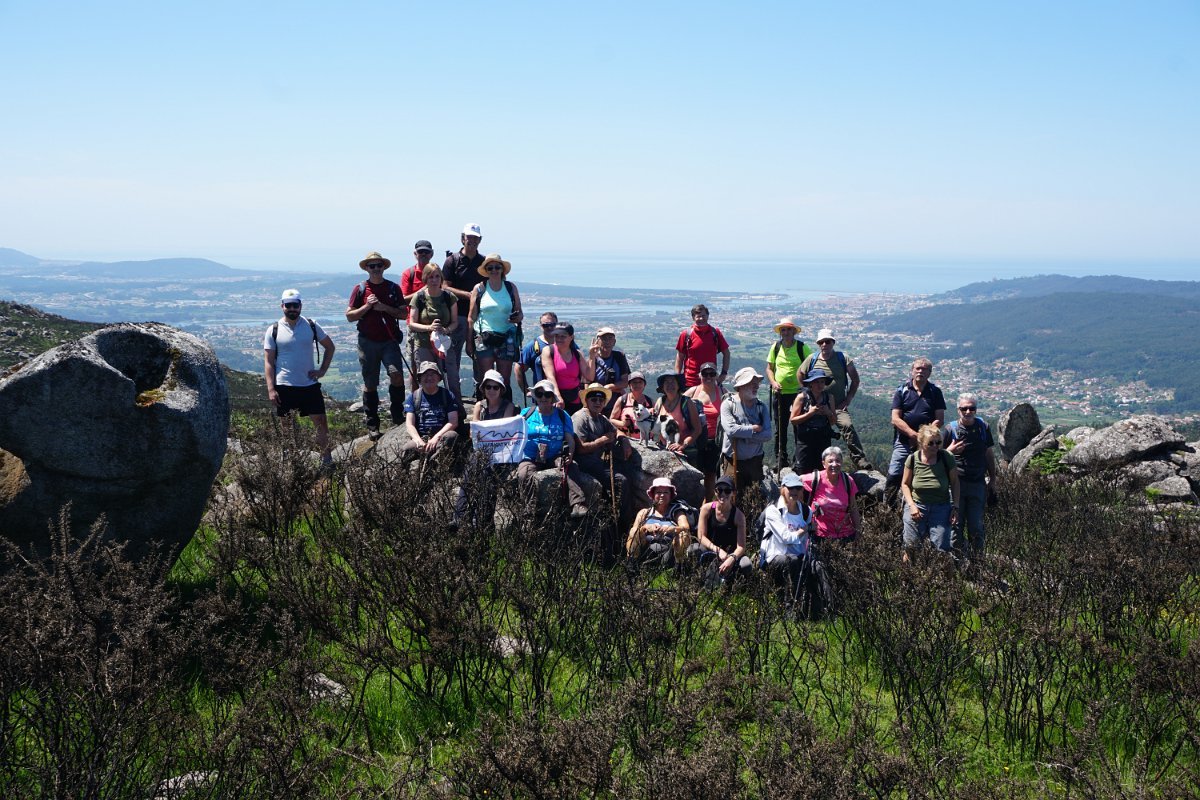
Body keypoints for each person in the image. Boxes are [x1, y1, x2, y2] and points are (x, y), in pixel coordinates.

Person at [264, 289, 335, 465]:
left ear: (300, 306)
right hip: (284, 386)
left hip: (309, 384)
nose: (292, 309)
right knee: (287, 426)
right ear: (282, 306)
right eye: (288, 305)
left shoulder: (311, 325)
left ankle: (327, 461)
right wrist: (271, 389)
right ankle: (291, 462)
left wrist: (322, 371)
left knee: (321, 422)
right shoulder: (273, 330)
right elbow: (269, 362)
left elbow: (330, 347)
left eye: (295, 305)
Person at [345, 251, 406, 439]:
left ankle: (398, 416)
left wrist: (384, 307)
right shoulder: (360, 289)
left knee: (396, 375)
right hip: (367, 342)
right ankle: (373, 425)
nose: (376, 269)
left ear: (383, 267)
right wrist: (367, 306)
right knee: (370, 383)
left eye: (379, 265)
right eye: (372, 266)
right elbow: (350, 316)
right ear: (367, 268)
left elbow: (404, 314)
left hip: (389, 340)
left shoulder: (393, 288)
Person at [797, 329, 870, 471]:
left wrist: (848, 399)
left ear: (833, 342)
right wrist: (807, 392)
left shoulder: (843, 358)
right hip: (817, 405)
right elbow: (800, 374)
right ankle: (801, 460)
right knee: (807, 430)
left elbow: (855, 380)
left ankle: (859, 458)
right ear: (818, 344)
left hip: (838, 405)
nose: (824, 344)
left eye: (828, 341)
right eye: (821, 342)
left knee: (847, 426)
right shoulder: (812, 359)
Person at [517, 379, 589, 519]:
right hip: (530, 456)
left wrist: (570, 454)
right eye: (540, 394)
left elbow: (570, 439)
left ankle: (577, 503)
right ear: (535, 396)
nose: (543, 397)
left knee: (571, 466)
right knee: (524, 473)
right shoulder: (526, 414)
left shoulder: (562, 415)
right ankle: (529, 508)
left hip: (555, 454)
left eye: (547, 394)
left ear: (552, 397)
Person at [572, 383, 639, 531]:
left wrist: (624, 440)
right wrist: (602, 440)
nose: (598, 402)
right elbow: (580, 449)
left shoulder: (600, 418)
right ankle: (624, 525)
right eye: (594, 399)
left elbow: (615, 431)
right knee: (621, 480)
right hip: (584, 464)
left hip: (597, 463)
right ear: (586, 400)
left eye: (601, 400)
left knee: (627, 471)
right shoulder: (580, 418)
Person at [944, 393, 997, 558]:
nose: (968, 412)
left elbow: (988, 452)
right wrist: (950, 451)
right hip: (956, 484)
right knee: (955, 527)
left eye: (971, 408)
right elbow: (938, 456)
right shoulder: (950, 430)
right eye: (964, 408)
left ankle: (977, 564)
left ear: (976, 409)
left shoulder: (983, 427)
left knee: (976, 527)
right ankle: (957, 564)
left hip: (977, 483)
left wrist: (993, 478)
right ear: (958, 410)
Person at [887, 358, 946, 501]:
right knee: (895, 473)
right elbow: (895, 418)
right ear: (912, 371)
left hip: (927, 443)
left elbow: (939, 419)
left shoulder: (935, 392)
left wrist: (925, 436)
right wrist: (913, 435)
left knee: (924, 472)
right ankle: (888, 506)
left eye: (924, 369)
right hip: (904, 441)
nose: (920, 371)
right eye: (917, 368)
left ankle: (920, 502)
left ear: (929, 373)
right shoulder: (902, 390)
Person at [467, 253, 523, 401]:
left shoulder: (510, 288)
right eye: (490, 268)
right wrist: (469, 341)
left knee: (504, 379)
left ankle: (504, 409)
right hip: (484, 337)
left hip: (506, 337)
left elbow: (520, 313)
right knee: (486, 378)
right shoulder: (479, 288)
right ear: (486, 270)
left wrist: (517, 317)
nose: (494, 270)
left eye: (497, 267)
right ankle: (485, 408)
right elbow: (471, 317)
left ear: (502, 269)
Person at [442, 222, 487, 400]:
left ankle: (480, 392)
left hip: (479, 316)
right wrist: (469, 295)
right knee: (453, 356)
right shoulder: (452, 261)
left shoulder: (484, 262)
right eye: (469, 237)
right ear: (463, 238)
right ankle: (454, 394)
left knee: (479, 354)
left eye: (476, 238)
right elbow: (445, 287)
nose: (472, 241)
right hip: (457, 315)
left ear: (480, 240)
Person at [901, 424, 959, 556]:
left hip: (941, 507)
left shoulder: (947, 457)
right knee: (911, 549)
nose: (935, 446)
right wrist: (911, 505)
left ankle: (941, 571)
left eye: (938, 442)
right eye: (931, 443)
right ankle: (908, 570)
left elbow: (955, 483)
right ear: (921, 443)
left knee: (942, 550)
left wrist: (955, 507)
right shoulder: (913, 459)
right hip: (917, 507)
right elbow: (905, 484)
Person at [759, 472, 814, 605]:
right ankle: (789, 606)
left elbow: (809, 538)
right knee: (791, 561)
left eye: (798, 488)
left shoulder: (806, 511)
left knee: (818, 566)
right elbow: (786, 538)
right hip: (775, 557)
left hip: (800, 556)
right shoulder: (773, 511)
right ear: (782, 489)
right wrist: (805, 528)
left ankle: (826, 607)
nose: (794, 491)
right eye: (791, 488)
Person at [765, 317, 811, 470]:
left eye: (789, 329)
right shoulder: (776, 347)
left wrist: (806, 387)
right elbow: (769, 368)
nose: (786, 332)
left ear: (794, 332)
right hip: (780, 393)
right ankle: (781, 459)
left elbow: (811, 366)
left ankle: (799, 459)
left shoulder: (802, 347)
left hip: (798, 394)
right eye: (783, 330)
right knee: (781, 428)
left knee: (799, 426)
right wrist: (773, 382)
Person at [719, 367, 772, 495]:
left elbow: (767, 435)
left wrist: (743, 435)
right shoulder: (728, 404)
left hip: (755, 462)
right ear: (741, 386)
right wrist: (753, 429)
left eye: (756, 383)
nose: (756, 386)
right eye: (751, 383)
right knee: (731, 496)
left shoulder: (761, 407)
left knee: (754, 496)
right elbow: (731, 430)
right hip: (732, 461)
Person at [696, 476, 753, 583]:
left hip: (731, 553)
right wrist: (718, 551)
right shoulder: (706, 509)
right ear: (715, 491)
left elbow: (741, 547)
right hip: (710, 549)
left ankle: (734, 585)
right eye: (719, 490)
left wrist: (731, 558)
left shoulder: (739, 516)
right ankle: (695, 580)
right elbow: (701, 537)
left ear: (733, 493)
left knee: (746, 565)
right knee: (694, 549)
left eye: (727, 491)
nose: (722, 494)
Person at [626, 477, 693, 568]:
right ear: (653, 495)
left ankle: (679, 567)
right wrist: (646, 527)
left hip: (669, 552)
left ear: (670, 495)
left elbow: (686, 527)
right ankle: (631, 565)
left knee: (684, 534)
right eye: (658, 492)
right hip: (646, 549)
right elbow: (634, 531)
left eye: (666, 492)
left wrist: (671, 529)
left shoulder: (677, 512)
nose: (662, 495)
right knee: (634, 531)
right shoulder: (644, 512)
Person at [406, 264, 458, 380]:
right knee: (427, 380)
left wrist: (446, 330)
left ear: (441, 278)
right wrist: (430, 327)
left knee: (452, 379)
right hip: (424, 345)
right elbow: (412, 323)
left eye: (437, 276)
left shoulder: (449, 297)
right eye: (431, 277)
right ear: (425, 279)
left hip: (444, 345)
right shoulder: (419, 297)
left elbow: (455, 322)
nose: (434, 280)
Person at [801, 446, 862, 543]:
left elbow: (853, 508)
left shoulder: (848, 481)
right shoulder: (816, 478)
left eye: (838, 461)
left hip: (845, 536)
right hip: (820, 536)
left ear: (841, 462)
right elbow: (794, 481)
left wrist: (858, 532)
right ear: (823, 464)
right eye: (830, 461)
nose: (834, 464)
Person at [684, 362, 727, 500]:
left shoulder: (723, 392)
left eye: (712, 374)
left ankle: (707, 504)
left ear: (716, 376)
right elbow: (677, 405)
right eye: (705, 374)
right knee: (694, 474)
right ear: (699, 375)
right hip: (695, 441)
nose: (708, 377)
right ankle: (694, 504)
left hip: (715, 442)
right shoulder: (692, 392)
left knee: (710, 476)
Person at [401, 361, 461, 460]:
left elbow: (453, 422)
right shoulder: (414, 397)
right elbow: (409, 424)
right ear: (420, 378)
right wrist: (418, 440)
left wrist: (436, 438)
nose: (429, 377)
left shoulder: (447, 395)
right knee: (407, 449)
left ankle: (435, 463)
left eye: (433, 374)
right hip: (422, 438)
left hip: (441, 437)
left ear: (439, 378)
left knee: (451, 436)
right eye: (425, 374)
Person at [399, 239, 435, 390]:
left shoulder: (435, 273)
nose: (423, 255)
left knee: (436, 365)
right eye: (421, 252)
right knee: (415, 366)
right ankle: (416, 398)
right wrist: (422, 291)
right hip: (414, 326)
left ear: (431, 254)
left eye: (426, 252)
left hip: (434, 326)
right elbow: (403, 299)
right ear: (415, 254)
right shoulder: (409, 274)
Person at [789, 369, 837, 475]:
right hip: (805, 441)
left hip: (823, 439)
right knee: (803, 471)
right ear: (810, 383)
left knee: (822, 470)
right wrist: (810, 413)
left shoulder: (829, 398)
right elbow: (793, 420)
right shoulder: (802, 398)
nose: (820, 385)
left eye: (822, 382)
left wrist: (828, 413)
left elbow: (833, 421)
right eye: (816, 382)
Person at [540, 322, 594, 414]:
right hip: (554, 399)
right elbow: (550, 377)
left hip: (575, 399)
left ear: (571, 337)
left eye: (563, 336)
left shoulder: (577, 354)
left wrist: (592, 356)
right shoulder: (548, 351)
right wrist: (558, 396)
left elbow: (590, 376)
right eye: (556, 336)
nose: (559, 339)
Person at [674, 304, 730, 389]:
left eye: (703, 316)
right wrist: (677, 378)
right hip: (690, 382)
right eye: (698, 316)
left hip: (710, 380)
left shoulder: (715, 333)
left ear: (708, 316)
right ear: (693, 317)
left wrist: (723, 374)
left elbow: (727, 353)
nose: (701, 318)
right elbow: (679, 358)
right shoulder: (686, 334)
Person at [653, 372, 703, 464]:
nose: (670, 385)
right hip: (664, 448)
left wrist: (682, 445)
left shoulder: (687, 403)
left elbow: (697, 429)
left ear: (678, 385)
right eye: (666, 382)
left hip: (686, 450)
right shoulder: (660, 402)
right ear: (662, 386)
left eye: (673, 381)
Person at [516, 311, 558, 401]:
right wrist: (526, 390)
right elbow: (518, 368)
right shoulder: (533, 346)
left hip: (564, 393)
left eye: (552, 324)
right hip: (543, 397)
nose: (549, 327)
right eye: (545, 325)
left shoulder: (564, 343)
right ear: (541, 326)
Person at [589, 326, 630, 415]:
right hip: (596, 406)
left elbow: (625, 382)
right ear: (597, 341)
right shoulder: (593, 358)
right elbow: (587, 381)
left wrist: (609, 387)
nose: (607, 342)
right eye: (604, 339)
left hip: (616, 406)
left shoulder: (619, 357)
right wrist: (616, 388)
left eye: (610, 338)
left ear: (614, 342)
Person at [610, 371, 654, 441]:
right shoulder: (622, 400)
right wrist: (622, 424)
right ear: (629, 385)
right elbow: (611, 420)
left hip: (647, 441)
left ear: (644, 385)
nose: (637, 385)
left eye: (640, 382)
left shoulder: (650, 402)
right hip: (626, 441)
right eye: (634, 382)